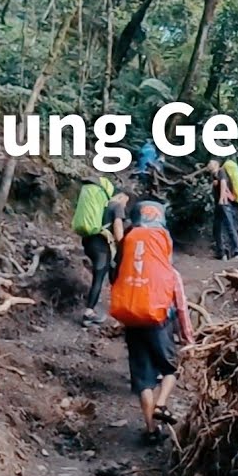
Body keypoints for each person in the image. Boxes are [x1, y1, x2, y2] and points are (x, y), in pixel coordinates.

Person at [109, 198, 194, 444]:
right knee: (171, 368)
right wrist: (188, 338)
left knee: (143, 379)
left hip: (132, 319)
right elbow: (181, 307)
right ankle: (162, 404)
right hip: (158, 323)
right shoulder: (169, 272)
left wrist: (116, 212)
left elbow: (116, 263)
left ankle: (150, 430)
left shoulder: (126, 258)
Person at [73, 177, 130, 327]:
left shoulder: (101, 206)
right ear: (121, 197)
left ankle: (116, 310)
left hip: (89, 242)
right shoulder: (117, 206)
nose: (125, 205)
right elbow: (118, 232)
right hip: (102, 246)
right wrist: (125, 246)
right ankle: (89, 313)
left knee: (111, 275)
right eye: (126, 201)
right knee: (99, 278)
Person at [207, 160, 238, 260]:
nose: (209, 165)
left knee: (230, 227)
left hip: (224, 204)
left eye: (211, 164)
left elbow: (223, 184)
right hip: (220, 205)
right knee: (217, 229)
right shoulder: (214, 175)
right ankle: (221, 252)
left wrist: (222, 199)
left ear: (216, 165)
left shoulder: (221, 172)